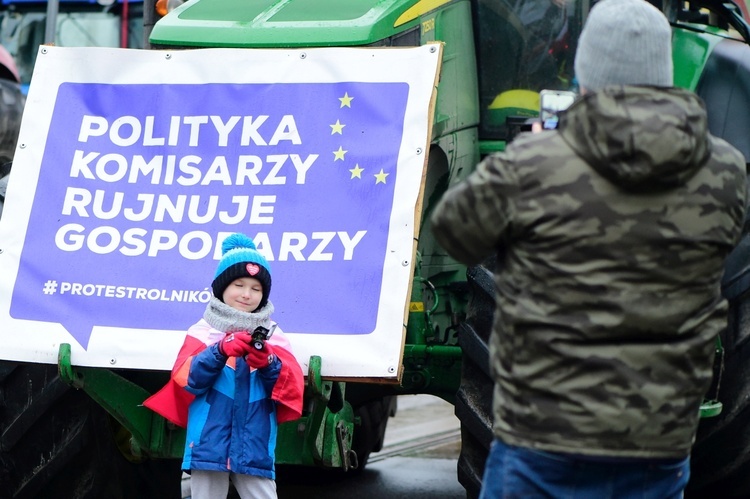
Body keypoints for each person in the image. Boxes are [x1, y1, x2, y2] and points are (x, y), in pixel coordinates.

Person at [430, 0, 748, 497]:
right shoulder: (726, 170)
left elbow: (454, 230)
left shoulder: (537, 163)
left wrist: (524, 156)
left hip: (541, 444)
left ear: (586, 72)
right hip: (658, 449)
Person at [144, 233, 304, 499]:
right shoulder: (203, 331)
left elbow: (290, 386)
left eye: (256, 288)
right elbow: (186, 379)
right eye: (238, 285)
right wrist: (219, 351)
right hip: (208, 440)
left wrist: (269, 362)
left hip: (255, 443)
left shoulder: (274, 334)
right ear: (221, 288)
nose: (246, 294)